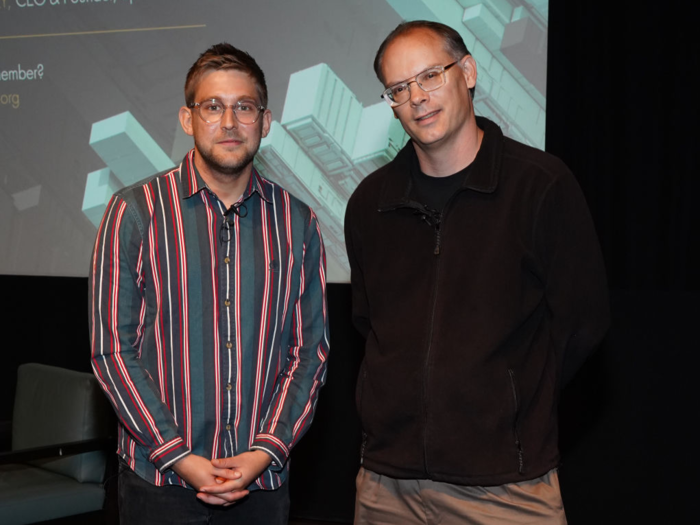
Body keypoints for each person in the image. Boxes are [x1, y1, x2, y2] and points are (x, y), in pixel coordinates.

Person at [344, 21, 609, 525]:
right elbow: (367, 324)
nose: (417, 97)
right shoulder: (369, 204)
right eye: (399, 89)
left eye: (430, 76)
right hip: (386, 486)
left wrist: (507, 406)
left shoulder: (541, 186)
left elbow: (582, 324)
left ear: (467, 72)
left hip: (505, 487)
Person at [89, 42, 329, 525]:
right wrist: (179, 456)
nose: (229, 122)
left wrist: (265, 452)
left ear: (264, 121)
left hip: (261, 485)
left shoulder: (298, 222)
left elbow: (310, 353)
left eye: (244, 107)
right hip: (161, 483)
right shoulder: (133, 212)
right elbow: (112, 352)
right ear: (187, 118)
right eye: (212, 106)